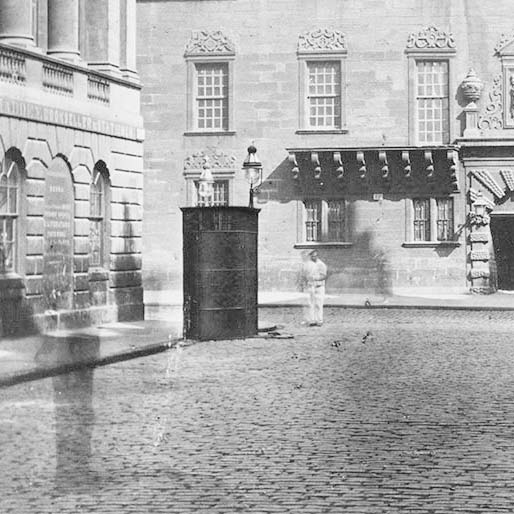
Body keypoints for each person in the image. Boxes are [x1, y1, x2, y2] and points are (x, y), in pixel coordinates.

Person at [304, 250, 327, 326]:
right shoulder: (308, 264)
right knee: (311, 304)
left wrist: (315, 278)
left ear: (317, 256)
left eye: (315, 256)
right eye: (312, 256)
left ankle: (319, 320)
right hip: (311, 286)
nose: (313, 257)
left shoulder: (321, 264)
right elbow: (306, 275)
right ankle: (312, 320)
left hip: (319, 287)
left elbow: (324, 276)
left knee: (319, 304)